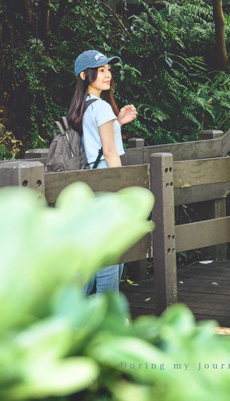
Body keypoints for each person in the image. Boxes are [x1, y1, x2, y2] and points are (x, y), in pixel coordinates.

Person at [68, 49, 138, 295]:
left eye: (108, 69)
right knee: (110, 254)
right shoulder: (102, 107)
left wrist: (118, 123)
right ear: (85, 76)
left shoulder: (83, 106)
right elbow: (109, 152)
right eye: (101, 70)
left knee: (93, 251)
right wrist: (120, 190)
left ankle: (78, 311)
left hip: (89, 185)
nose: (108, 75)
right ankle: (108, 311)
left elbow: (94, 144)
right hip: (105, 185)